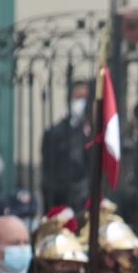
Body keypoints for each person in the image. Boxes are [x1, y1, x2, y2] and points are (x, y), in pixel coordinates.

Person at [41, 80, 92, 211]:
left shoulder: (95, 129)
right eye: (78, 97)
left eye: (85, 98)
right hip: (64, 199)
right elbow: (49, 170)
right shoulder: (55, 133)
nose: (82, 102)